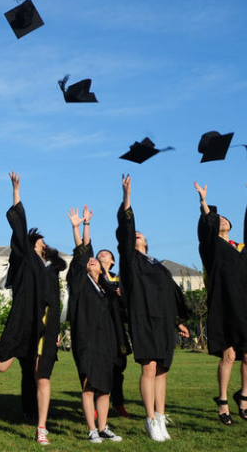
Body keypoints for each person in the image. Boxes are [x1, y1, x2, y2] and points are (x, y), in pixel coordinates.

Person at [117, 175, 190, 441]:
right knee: (148, 367)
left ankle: (161, 417)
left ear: (147, 241)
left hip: (162, 320)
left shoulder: (159, 267)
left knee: (162, 369)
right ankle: (149, 419)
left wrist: (178, 321)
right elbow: (126, 231)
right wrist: (127, 197)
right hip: (142, 318)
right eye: (134, 233)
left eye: (140, 234)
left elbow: (172, 294)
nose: (137, 234)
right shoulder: (130, 261)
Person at [0, 172, 64, 445]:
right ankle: (17, 350)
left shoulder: (51, 271)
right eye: (40, 243)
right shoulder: (24, 259)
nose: (44, 246)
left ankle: (41, 427)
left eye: (45, 245)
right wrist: (16, 190)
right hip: (22, 320)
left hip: (45, 326)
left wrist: (56, 329)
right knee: (0, 367)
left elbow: (56, 304)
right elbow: (19, 229)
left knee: (41, 377)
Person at [66, 206, 123, 443]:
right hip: (87, 342)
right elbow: (82, 253)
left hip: (106, 343)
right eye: (90, 260)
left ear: (103, 268)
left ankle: (103, 427)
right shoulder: (79, 284)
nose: (92, 260)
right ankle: (91, 429)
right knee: (89, 386)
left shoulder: (108, 289)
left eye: (95, 260)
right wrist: (80, 227)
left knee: (105, 388)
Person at [194, 181, 247, 425]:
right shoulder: (211, 247)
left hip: (244, 305)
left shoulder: (240, 248)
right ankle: (223, 402)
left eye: (225, 218)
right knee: (229, 354)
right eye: (218, 219)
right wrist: (204, 202)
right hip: (224, 305)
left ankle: (244, 397)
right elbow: (207, 224)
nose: (222, 220)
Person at [96, 249, 131, 419]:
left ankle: (118, 404)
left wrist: (123, 295)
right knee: (98, 369)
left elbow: (128, 306)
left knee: (118, 369)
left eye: (105, 254)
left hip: (117, 331)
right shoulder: (92, 278)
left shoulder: (119, 280)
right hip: (99, 330)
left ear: (112, 261)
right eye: (99, 253)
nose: (101, 255)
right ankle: (97, 406)